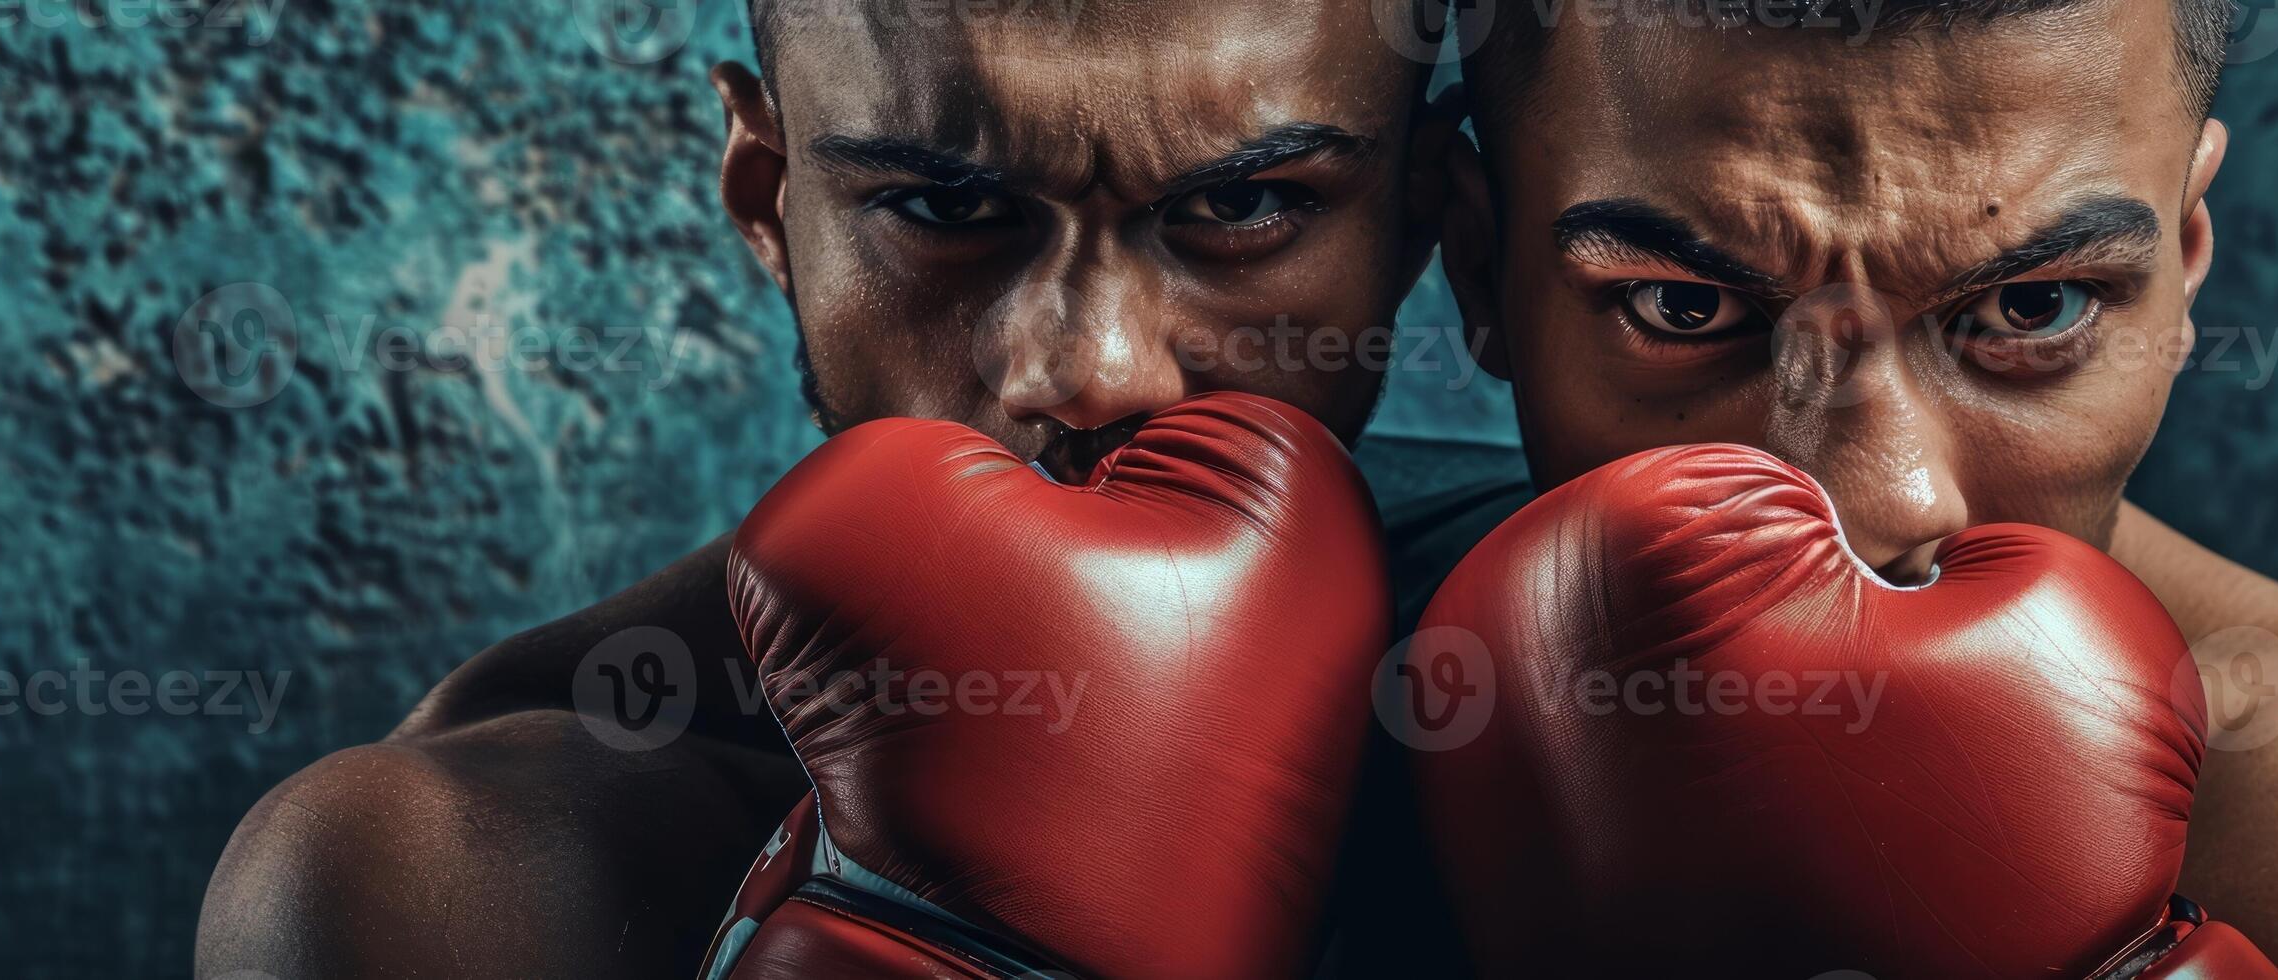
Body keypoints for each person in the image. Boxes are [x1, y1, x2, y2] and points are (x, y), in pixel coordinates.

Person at [194, 0, 1452, 974]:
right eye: (948, 203)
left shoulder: (1582, 696)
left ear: (1417, 219)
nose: (1085, 370)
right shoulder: (472, 882)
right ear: (771, 204)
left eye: (1242, 203)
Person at [1421, 0, 2278, 968]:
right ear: (1479, 264)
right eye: (1686, 307)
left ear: (2187, 252)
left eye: (2033, 305)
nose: (1884, 505)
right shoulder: (1342, 697)